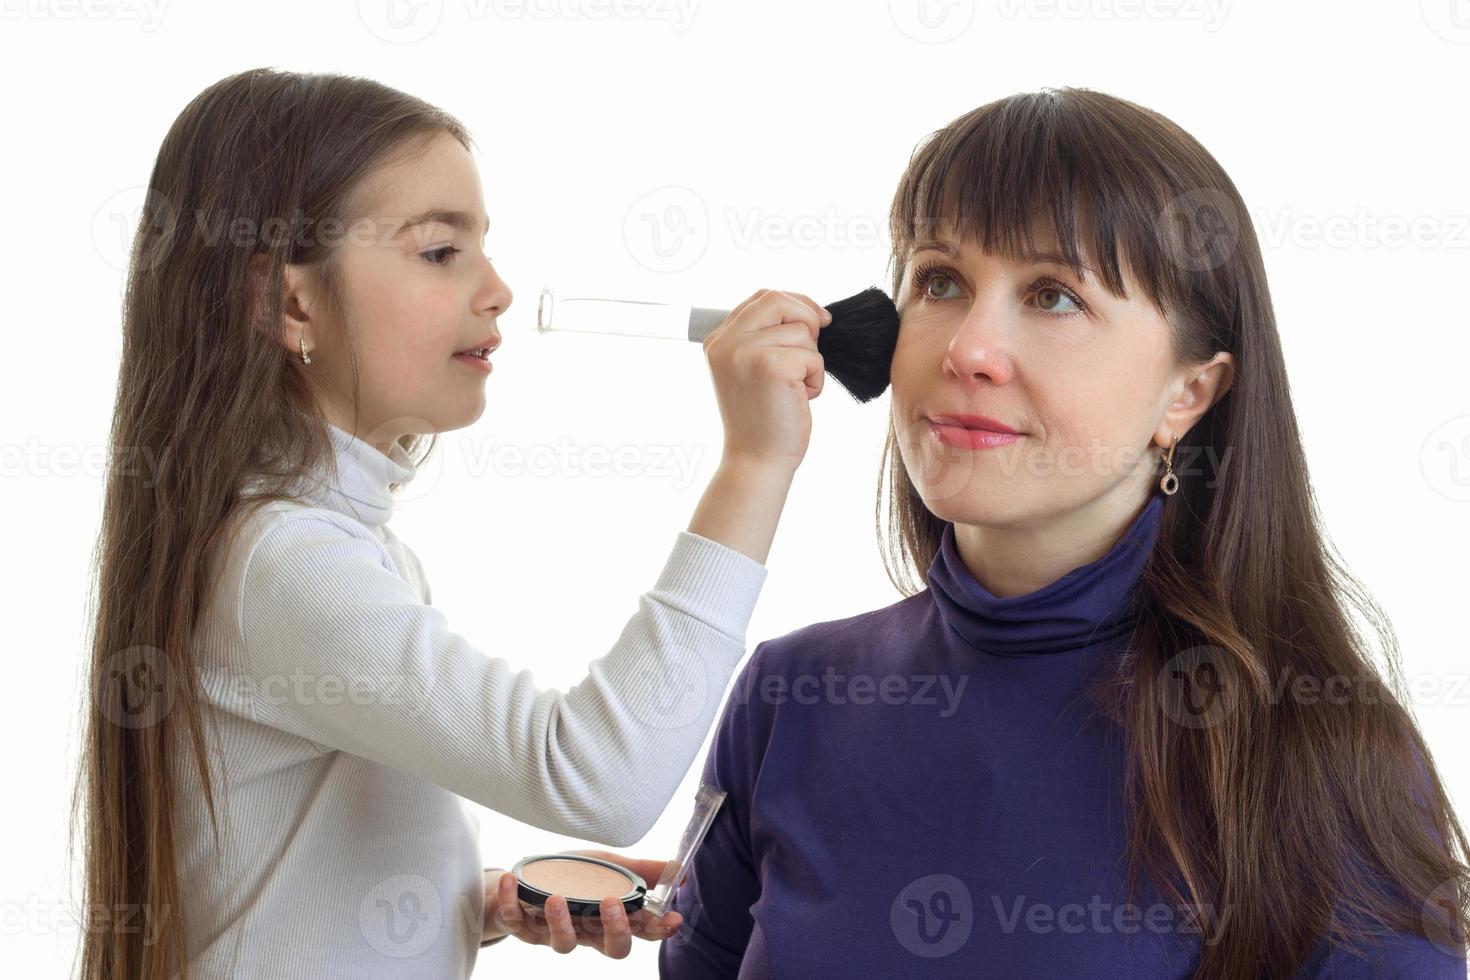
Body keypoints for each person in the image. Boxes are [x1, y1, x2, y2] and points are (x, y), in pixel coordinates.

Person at [659, 88, 1470, 978]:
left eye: (1052, 295)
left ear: (1188, 393)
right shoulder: (788, 697)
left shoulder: (1326, 759)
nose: (968, 347)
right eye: (939, 280)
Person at [72, 67, 831, 979]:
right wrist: (755, 463)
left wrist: (471, 900)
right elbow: (597, 774)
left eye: (483, 248)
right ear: (289, 302)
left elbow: (274, 880)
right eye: (441, 252)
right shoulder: (286, 561)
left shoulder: (327, 544)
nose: (499, 289)